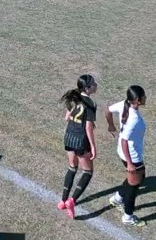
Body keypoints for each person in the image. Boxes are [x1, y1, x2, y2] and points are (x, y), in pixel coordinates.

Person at [57, 74, 99, 219]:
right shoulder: (91, 104)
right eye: (93, 84)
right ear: (87, 88)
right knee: (87, 172)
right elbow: (88, 128)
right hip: (81, 140)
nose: (96, 85)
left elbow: (67, 117)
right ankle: (72, 201)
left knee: (72, 168)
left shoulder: (73, 98)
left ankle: (62, 200)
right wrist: (93, 146)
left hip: (69, 137)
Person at [105, 86, 148, 227]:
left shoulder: (124, 104)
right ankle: (128, 216)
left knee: (137, 179)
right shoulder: (134, 119)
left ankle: (117, 198)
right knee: (134, 185)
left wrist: (111, 125)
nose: (146, 97)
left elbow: (108, 110)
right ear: (137, 100)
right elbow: (124, 140)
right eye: (144, 96)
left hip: (124, 153)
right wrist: (130, 163)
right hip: (132, 156)